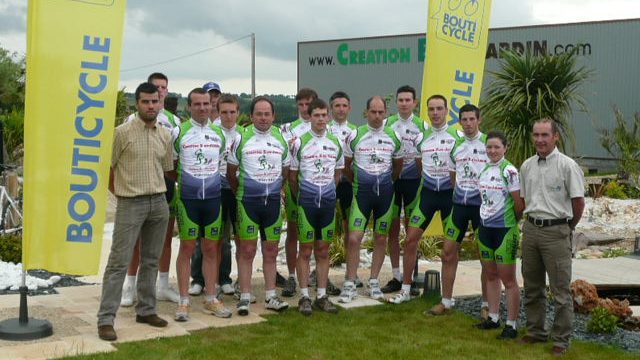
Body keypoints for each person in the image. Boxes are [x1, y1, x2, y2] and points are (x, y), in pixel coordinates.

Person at [97, 82, 173, 341]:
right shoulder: (121, 133)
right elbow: (107, 167)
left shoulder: (164, 134)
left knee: (151, 260)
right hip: (130, 202)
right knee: (118, 263)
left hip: (158, 203)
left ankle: (146, 310)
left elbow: (166, 168)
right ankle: (106, 319)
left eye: (155, 101)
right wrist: (120, 192)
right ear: (136, 103)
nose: (151, 106)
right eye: (145, 102)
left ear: (160, 103)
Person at [519, 118, 585, 356]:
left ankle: (561, 339)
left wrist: (567, 228)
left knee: (560, 291)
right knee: (532, 286)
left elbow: (578, 202)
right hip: (531, 230)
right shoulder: (527, 166)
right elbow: (525, 199)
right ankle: (536, 331)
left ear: (555, 137)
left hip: (557, 232)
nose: (540, 140)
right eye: (536, 135)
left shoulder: (568, 166)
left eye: (545, 135)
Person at [388, 94, 461, 304]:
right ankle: (406, 289)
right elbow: (419, 168)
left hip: (449, 197)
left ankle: (447, 297)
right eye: (432, 109)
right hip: (428, 195)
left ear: (447, 111)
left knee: (450, 249)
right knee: (410, 240)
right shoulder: (421, 138)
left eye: (439, 109)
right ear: (427, 112)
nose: (436, 113)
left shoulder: (456, 137)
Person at [172, 88, 231, 322]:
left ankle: (210, 298)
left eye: (206, 104)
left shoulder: (219, 133)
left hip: (213, 199)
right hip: (188, 200)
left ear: (211, 105)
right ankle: (184, 301)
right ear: (189, 107)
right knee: (187, 248)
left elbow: (221, 163)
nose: (203, 108)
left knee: (210, 248)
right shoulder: (180, 132)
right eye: (197, 104)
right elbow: (171, 166)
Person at [121, 72, 181, 307]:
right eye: (156, 87)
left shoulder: (175, 122)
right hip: (138, 186)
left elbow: (175, 160)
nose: (160, 91)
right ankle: (130, 286)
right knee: (136, 240)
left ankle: (163, 285)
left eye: (164, 87)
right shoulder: (130, 121)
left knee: (164, 239)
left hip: (165, 185)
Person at [227, 96, 291, 315]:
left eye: (267, 114)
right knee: (247, 249)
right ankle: (245, 296)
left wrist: (272, 188)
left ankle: (271, 296)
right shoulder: (240, 138)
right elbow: (230, 174)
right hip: (247, 202)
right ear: (251, 115)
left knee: (271, 250)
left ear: (273, 116)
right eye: (259, 114)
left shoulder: (281, 139)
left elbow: (284, 172)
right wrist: (244, 192)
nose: (263, 118)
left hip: (272, 203)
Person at [339, 96, 403, 303]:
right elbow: (347, 167)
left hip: (385, 193)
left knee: (381, 238)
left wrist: (385, 182)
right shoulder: (355, 135)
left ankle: (374, 281)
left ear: (386, 113)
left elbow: (397, 166)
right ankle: (350, 282)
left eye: (380, 112)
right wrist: (361, 182)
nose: (376, 116)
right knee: (354, 238)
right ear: (366, 112)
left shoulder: (394, 135)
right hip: (361, 194)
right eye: (373, 112)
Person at [429, 104, 488, 316]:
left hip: (482, 209)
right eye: (464, 120)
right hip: (460, 206)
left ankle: (486, 304)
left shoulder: (488, 144)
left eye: (472, 119)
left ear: (479, 120)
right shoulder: (456, 145)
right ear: (460, 122)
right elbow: (453, 177)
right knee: (447, 252)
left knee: (485, 256)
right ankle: (446, 301)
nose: (468, 124)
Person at [290, 99, 343, 315]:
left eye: (324, 115)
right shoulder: (299, 142)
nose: (321, 119)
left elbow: (338, 173)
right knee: (305, 249)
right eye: (317, 115)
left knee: (323, 250)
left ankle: (321, 295)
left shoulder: (335, 141)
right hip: (307, 202)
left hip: (328, 202)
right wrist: (304, 196)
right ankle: (304, 296)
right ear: (309, 117)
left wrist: (328, 191)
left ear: (328, 117)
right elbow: (292, 177)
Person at [473, 131, 524, 340]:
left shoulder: (509, 171)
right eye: (489, 147)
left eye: (496, 147)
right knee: (491, 274)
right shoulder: (484, 169)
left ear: (505, 148)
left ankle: (511, 325)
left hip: (504, 230)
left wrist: (513, 222)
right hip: (485, 229)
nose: (492, 151)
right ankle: (493, 318)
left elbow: (519, 204)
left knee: (509, 279)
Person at [382, 85, 425, 296]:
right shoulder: (387, 124)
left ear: (414, 103)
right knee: (391, 228)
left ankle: (412, 276)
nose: (404, 103)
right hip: (391, 181)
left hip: (413, 182)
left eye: (408, 100)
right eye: (401, 100)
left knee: (411, 230)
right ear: (396, 103)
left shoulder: (422, 126)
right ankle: (396, 275)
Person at [279, 88, 318, 297]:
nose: (304, 108)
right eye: (301, 104)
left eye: (308, 104)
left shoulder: (323, 128)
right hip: (294, 187)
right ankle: (292, 276)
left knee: (318, 234)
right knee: (293, 231)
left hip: (317, 190)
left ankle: (317, 274)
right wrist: (285, 187)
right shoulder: (287, 129)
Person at [328, 91, 360, 290]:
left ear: (350, 108)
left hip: (349, 184)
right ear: (331, 109)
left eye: (344, 105)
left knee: (351, 230)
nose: (340, 109)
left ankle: (351, 274)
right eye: (337, 105)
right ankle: (321, 274)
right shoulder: (325, 129)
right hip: (328, 184)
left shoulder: (357, 131)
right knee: (325, 230)